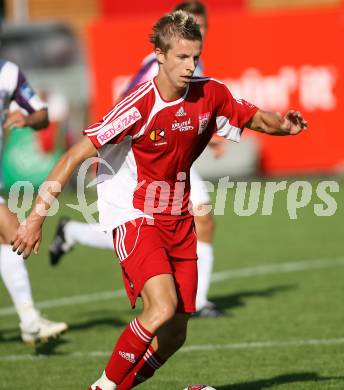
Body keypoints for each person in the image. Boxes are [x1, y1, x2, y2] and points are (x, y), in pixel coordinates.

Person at [12, 10, 307, 389]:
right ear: (160, 55)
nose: (190, 65)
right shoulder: (138, 105)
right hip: (131, 210)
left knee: (174, 335)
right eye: (181, 57)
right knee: (161, 307)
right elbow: (72, 156)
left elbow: (255, 118)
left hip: (176, 214)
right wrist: (36, 218)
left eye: (195, 57)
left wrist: (285, 126)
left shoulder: (209, 93)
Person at [49, 0, 224, 317]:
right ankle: (193, 302)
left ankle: (197, 301)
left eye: (200, 25)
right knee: (141, 227)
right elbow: (128, 101)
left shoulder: (194, 63)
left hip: (170, 159)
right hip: (140, 159)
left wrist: (206, 135)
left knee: (199, 218)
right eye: (189, 24)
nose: (196, 31)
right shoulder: (157, 63)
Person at [0, 59, 68, 344]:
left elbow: (42, 115)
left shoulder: (9, 74)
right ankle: (29, 322)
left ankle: (30, 321)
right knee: (14, 235)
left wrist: (25, 119)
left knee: (10, 239)